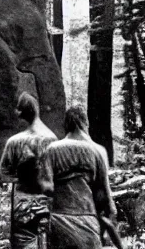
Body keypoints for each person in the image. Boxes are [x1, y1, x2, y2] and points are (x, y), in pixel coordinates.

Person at [42, 106, 119, 249]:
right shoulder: (97, 150)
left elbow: (46, 189)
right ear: (85, 123)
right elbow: (105, 198)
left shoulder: (51, 150)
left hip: (59, 222)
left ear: (66, 124)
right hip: (87, 223)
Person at [0, 92, 57, 249]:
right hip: (47, 204)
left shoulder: (14, 142)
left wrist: (22, 177)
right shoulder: (52, 139)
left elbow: (3, 174)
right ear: (37, 110)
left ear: (21, 113)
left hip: (22, 206)